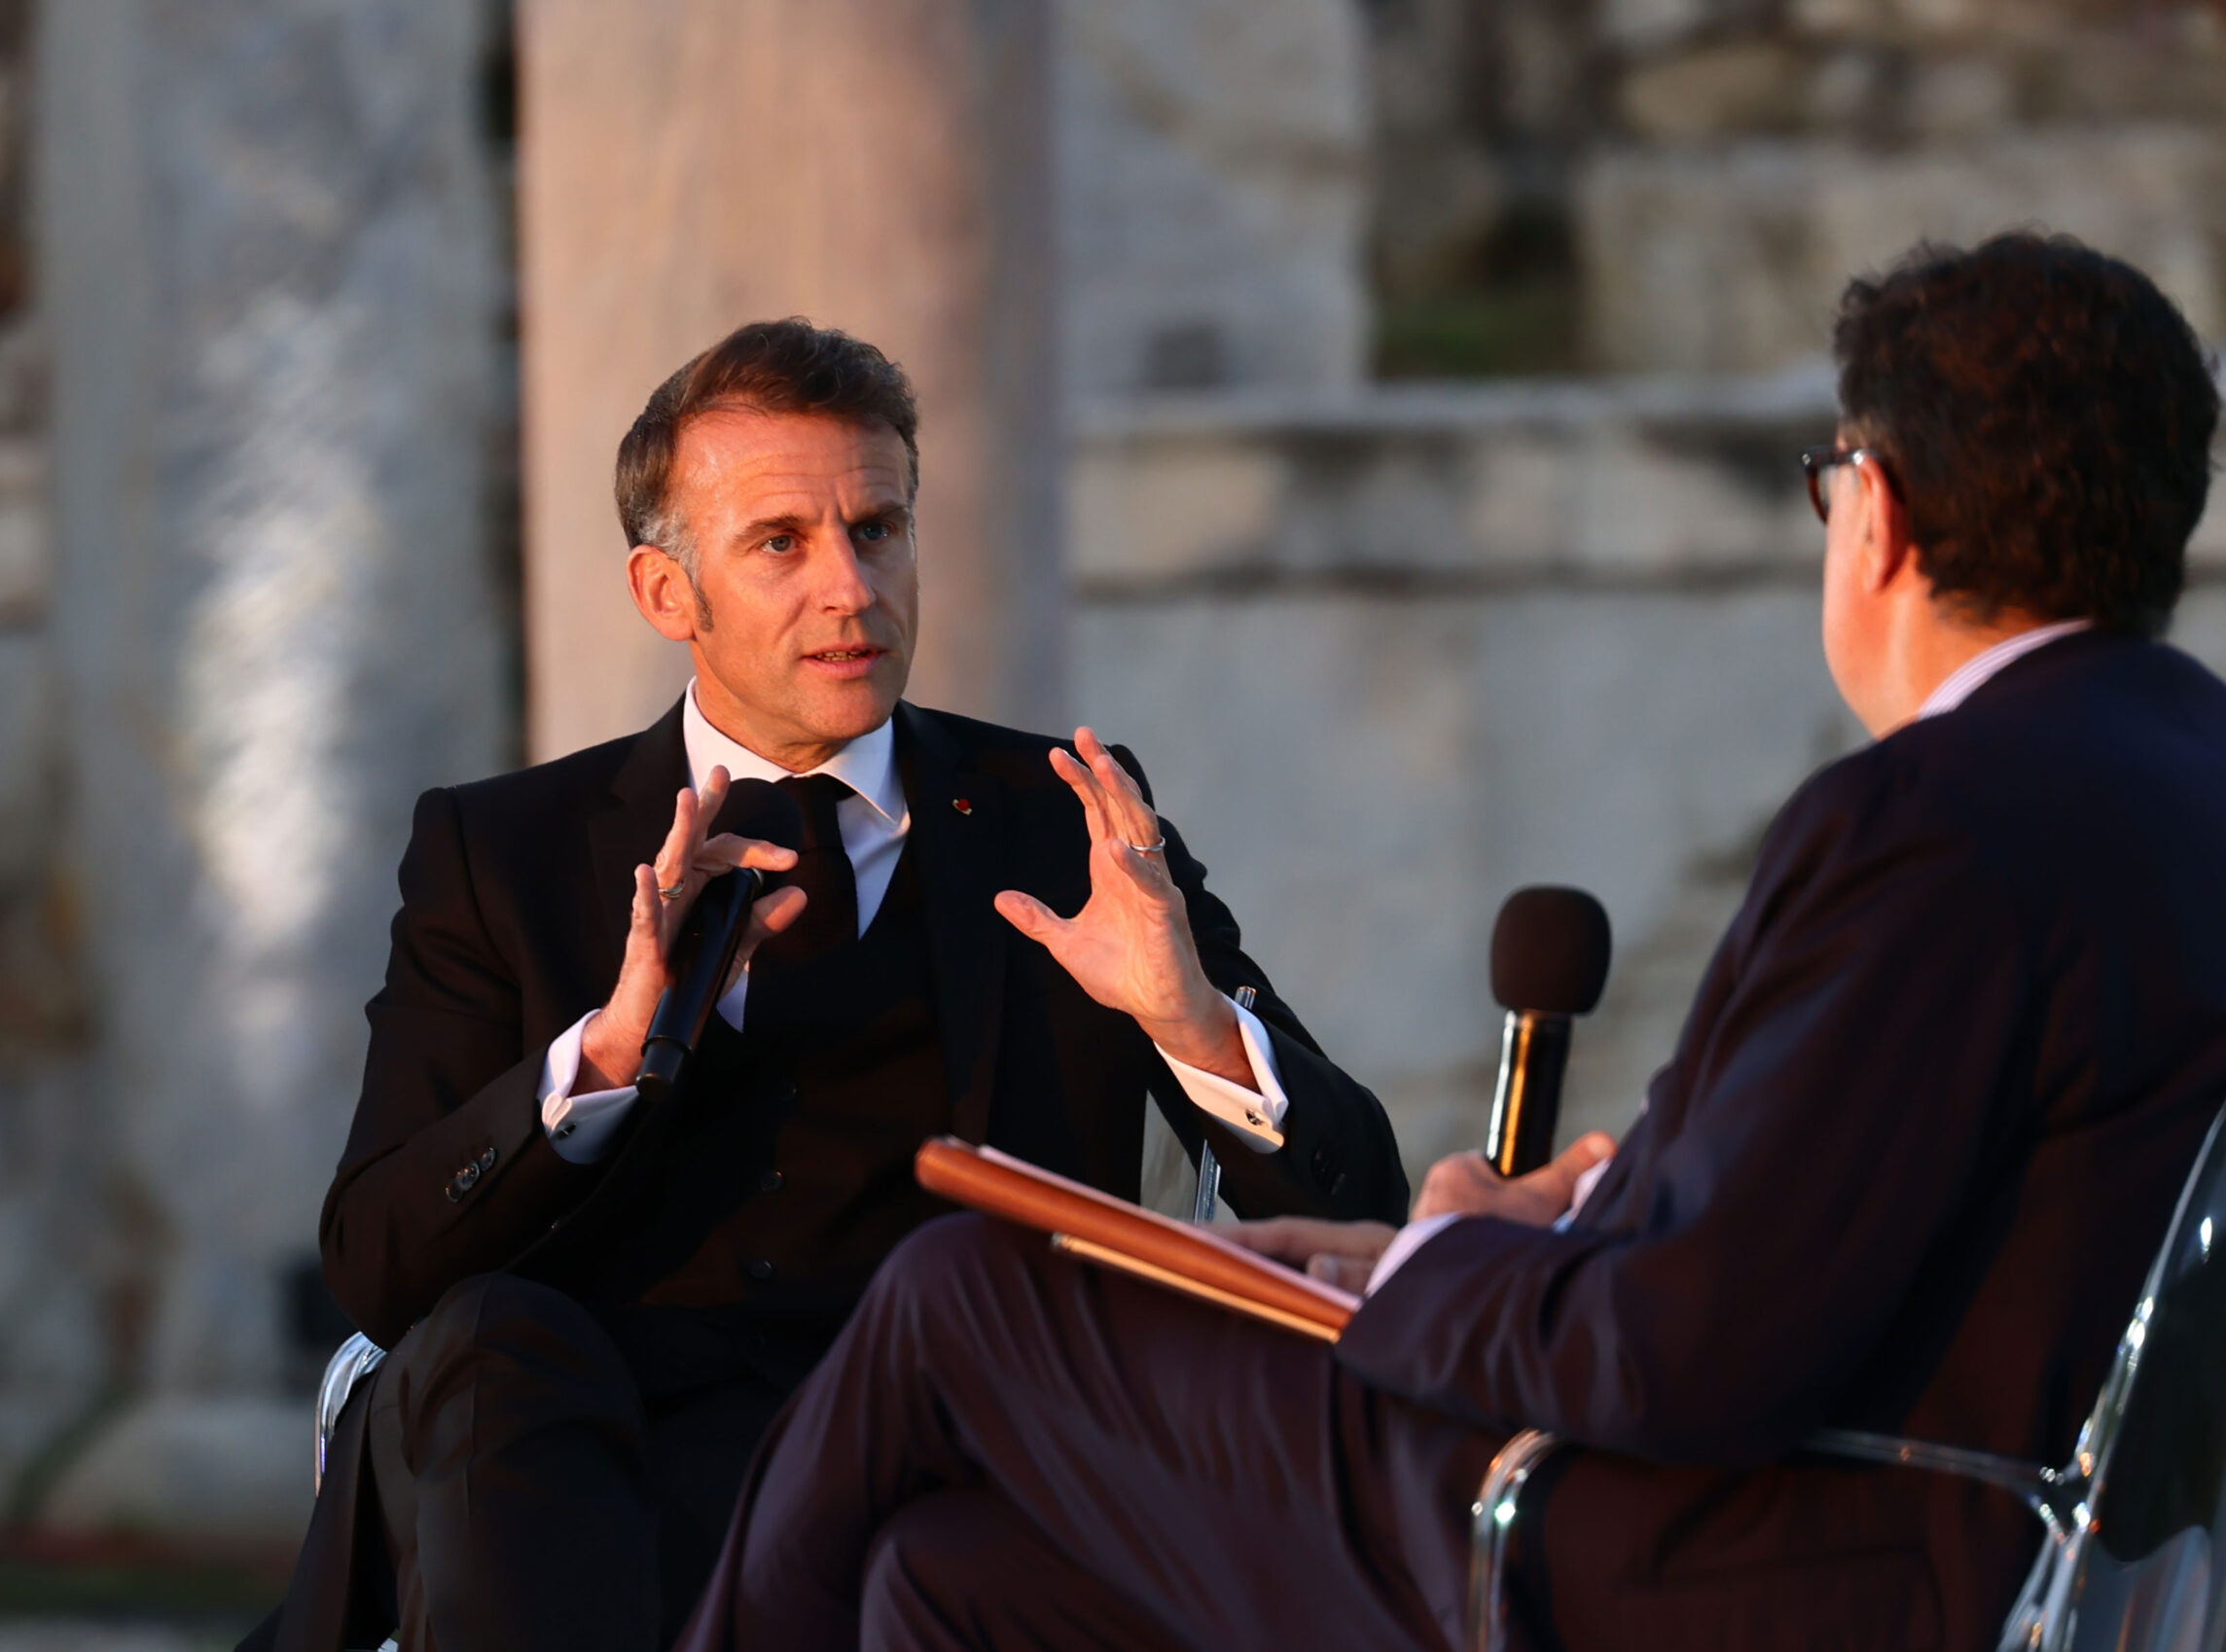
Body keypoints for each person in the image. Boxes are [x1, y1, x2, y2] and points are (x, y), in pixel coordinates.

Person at [672, 234, 2226, 1652]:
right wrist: (1541, 1223)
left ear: (1872, 511)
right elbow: (1841, 1230)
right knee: (948, 1577)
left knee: (961, 1291)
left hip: (1694, 1565)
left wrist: (1442, 1254)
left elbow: (1687, 1351)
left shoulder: (1939, 818)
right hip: (1926, 1551)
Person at [241, 319, 1410, 1652]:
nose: (851, 588)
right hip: (596, 1490)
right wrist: (606, 1056)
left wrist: (1186, 1015)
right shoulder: (505, 850)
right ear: (667, 593)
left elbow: (1357, 1210)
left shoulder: (1058, 818)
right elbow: (380, 1264)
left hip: (956, 1474)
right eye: (781, 543)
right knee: (491, 1343)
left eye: (878, 529)